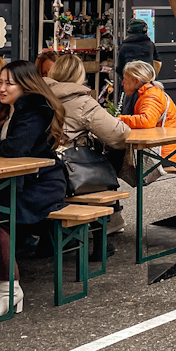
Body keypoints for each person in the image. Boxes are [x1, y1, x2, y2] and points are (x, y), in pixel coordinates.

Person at [0, 60, 68, 320]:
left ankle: (9, 291)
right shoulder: (6, 111)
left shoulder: (36, 109)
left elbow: (15, 149)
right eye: (0, 82)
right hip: (14, 182)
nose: (2, 88)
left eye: (9, 83)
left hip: (42, 185)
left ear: (26, 85)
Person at [47, 53, 131, 235]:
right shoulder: (81, 101)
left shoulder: (40, 96)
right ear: (80, 75)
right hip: (71, 169)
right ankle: (108, 223)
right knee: (109, 159)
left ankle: (111, 218)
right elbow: (118, 134)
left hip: (45, 166)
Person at [118, 60, 176, 183]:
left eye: (125, 79)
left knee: (111, 157)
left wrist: (120, 119)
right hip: (162, 152)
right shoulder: (148, 93)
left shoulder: (151, 96)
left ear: (136, 81)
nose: (122, 83)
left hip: (161, 155)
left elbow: (146, 121)